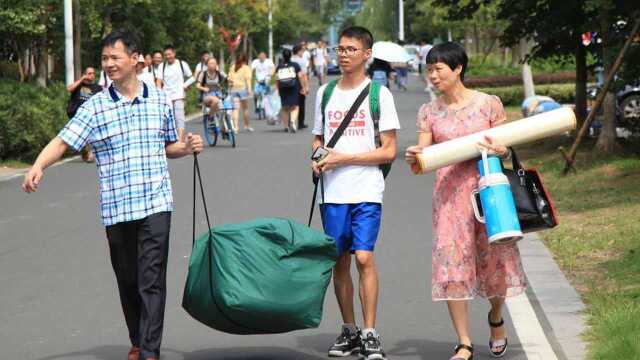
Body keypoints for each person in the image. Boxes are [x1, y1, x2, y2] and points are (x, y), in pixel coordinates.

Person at [22, 29, 204, 360]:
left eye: (114, 57)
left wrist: (187, 146)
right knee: (128, 280)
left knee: (151, 279)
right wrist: (39, 165)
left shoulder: (160, 100)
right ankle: (138, 338)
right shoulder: (95, 108)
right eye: (104, 58)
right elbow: (64, 141)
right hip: (117, 207)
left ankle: (150, 351)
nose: (108, 64)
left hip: (155, 203)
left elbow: (168, 147)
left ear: (137, 60)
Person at [404, 42, 526, 360]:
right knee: (451, 265)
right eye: (429, 69)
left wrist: (502, 149)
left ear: (458, 69)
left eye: (438, 69)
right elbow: (423, 156)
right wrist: (416, 157)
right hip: (448, 199)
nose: (432, 75)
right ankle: (464, 341)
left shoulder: (488, 104)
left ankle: (496, 317)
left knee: (495, 260)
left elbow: (506, 143)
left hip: (489, 194)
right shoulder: (429, 112)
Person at [311, 26, 400, 360]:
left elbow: (389, 150)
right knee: (339, 261)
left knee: (364, 257)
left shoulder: (380, 95)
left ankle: (370, 331)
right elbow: (318, 140)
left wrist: (344, 158)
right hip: (332, 193)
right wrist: (317, 160)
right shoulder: (325, 93)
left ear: (367, 55)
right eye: (340, 48)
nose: (344, 54)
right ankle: (349, 331)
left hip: (367, 190)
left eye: (351, 49)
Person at [156, 45, 194, 141]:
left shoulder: (181, 64)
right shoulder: (162, 66)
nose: (168, 56)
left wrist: (184, 85)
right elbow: (159, 81)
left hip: (179, 95)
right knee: (168, 118)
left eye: (169, 54)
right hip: (166, 96)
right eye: (166, 55)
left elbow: (192, 77)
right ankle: (170, 139)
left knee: (179, 117)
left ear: (174, 53)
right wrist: (158, 93)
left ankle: (180, 140)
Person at [66, 66, 103, 162]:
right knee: (80, 139)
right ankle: (84, 151)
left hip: (90, 116)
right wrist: (82, 79)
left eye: (93, 73)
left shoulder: (97, 88)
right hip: (76, 114)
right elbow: (69, 89)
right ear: (85, 74)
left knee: (89, 136)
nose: (91, 75)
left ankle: (90, 153)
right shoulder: (78, 85)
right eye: (89, 73)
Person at [276, 48, 304, 133]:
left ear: (283, 56)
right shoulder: (295, 65)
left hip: (282, 88)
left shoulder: (279, 66)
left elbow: (277, 79)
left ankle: (286, 126)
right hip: (293, 87)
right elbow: (300, 76)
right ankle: (292, 121)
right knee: (295, 106)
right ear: (290, 55)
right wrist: (302, 87)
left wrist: (278, 89)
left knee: (285, 108)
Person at [228, 53, 253, 132]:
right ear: (245, 60)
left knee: (235, 109)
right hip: (242, 89)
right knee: (245, 109)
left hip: (233, 90)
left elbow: (229, 79)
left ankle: (236, 127)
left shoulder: (232, 67)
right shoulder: (246, 68)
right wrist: (249, 90)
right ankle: (246, 126)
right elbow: (248, 79)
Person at [291, 44, 310, 130]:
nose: (303, 52)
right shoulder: (301, 61)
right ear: (298, 51)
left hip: (289, 84)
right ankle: (300, 123)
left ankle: (290, 121)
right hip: (299, 84)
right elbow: (303, 75)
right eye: (302, 50)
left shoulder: (290, 59)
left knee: (291, 104)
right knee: (301, 104)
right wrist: (306, 87)